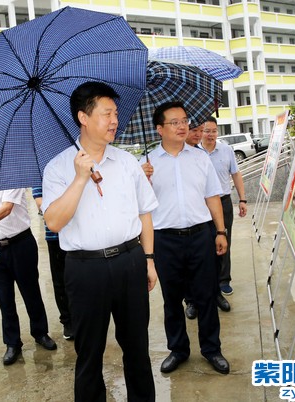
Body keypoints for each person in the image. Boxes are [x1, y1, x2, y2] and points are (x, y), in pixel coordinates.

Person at [42, 81, 158, 402]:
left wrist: (148, 259)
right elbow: (53, 221)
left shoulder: (126, 162)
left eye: (115, 114)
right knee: (89, 353)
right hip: (85, 269)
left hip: (130, 260)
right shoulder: (57, 168)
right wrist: (80, 177)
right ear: (83, 117)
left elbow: (145, 213)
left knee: (137, 348)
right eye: (106, 113)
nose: (114, 121)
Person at [144, 101, 230, 375]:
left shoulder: (200, 157)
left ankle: (211, 349)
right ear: (159, 129)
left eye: (184, 121)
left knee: (206, 295)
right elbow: (139, 207)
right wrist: (142, 180)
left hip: (200, 235)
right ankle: (178, 349)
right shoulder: (147, 164)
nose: (183, 126)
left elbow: (212, 196)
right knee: (171, 299)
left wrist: (220, 231)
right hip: (164, 239)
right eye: (174, 122)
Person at [0, 185, 57, 365]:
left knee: (31, 292)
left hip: (21, 242)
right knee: (4, 297)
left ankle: (40, 333)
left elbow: (7, 208)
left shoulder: (12, 177)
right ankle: (12, 343)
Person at [184, 117, 248, 316]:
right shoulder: (191, 153)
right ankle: (192, 299)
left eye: (213, 130)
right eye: (205, 131)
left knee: (223, 242)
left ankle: (222, 283)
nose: (209, 134)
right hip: (199, 207)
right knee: (198, 251)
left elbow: (236, 174)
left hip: (223, 202)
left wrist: (242, 199)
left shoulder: (226, 150)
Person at [32, 186, 73, 340]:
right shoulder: (39, 172)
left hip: (79, 233)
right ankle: (67, 321)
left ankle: (83, 316)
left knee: (83, 279)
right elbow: (40, 203)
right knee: (60, 281)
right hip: (55, 236)